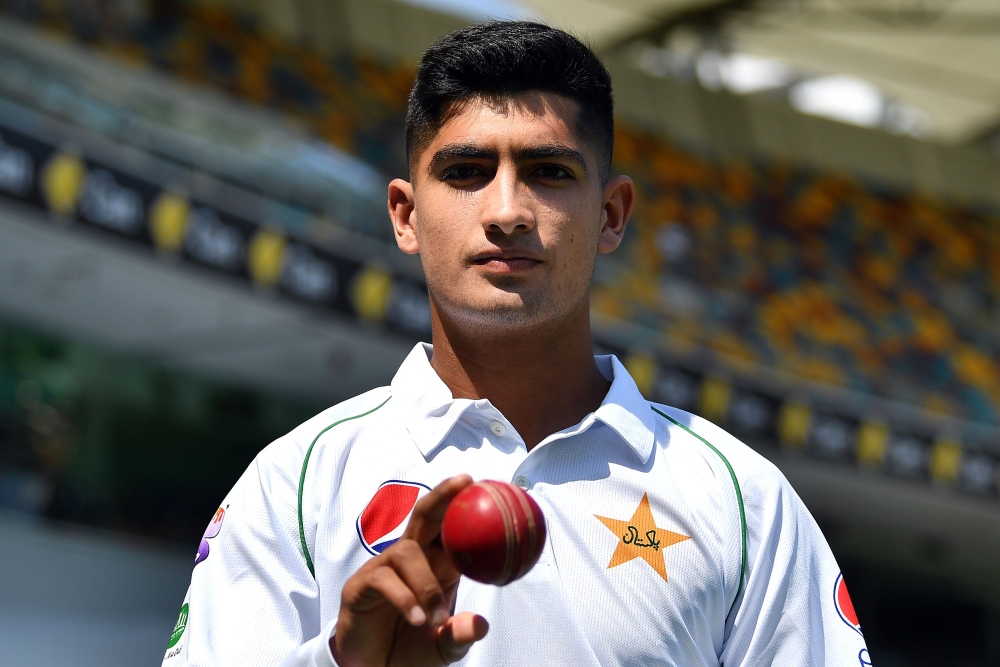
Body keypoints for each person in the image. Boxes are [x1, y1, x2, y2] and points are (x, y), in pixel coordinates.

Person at [163, 21, 870, 667]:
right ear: (405, 216)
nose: (507, 212)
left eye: (549, 172)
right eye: (466, 172)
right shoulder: (295, 482)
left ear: (611, 214)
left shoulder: (742, 500)